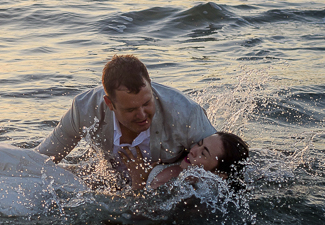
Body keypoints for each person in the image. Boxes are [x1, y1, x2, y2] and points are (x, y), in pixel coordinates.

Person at [35, 54, 216, 184]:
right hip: (113, 178)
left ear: (151, 86)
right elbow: (40, 159)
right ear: (109, 103)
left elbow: (223, 164)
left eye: (147, 103)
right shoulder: (84, 110)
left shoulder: (186, 113)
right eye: (131, 109)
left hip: (163, 181)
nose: (142, 115)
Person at [117, 130, 249, 193]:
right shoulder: (181, 162)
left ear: (220, 175)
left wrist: (138, 181)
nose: (193, 150)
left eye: (203, 153)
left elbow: (139, 217)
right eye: (199, 143)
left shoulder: (192, 195)